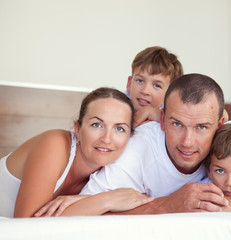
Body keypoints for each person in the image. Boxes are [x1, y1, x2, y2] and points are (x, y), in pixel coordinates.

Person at [36, 74, 231, 216]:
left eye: (201, 127)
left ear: (220, 125)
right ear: (161, 119)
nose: (187, 142)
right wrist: (166, 204)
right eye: (176, 124)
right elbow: (84, 214)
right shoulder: (139, 146)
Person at [0, 87, 153, 218]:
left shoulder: (106, 177)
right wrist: (106, 201)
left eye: (119, 129)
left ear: (129, 137)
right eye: (97, 125)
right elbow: (25, 228)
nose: (107, 139)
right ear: (78, 129)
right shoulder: (55, 145)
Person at [125, 46, 184, 127]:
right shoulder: (115, 102)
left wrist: (159, 116)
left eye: (157, 85)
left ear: (170, 95)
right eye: (140, 80)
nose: (145, 91)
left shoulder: (172, 118)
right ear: (129, 83)